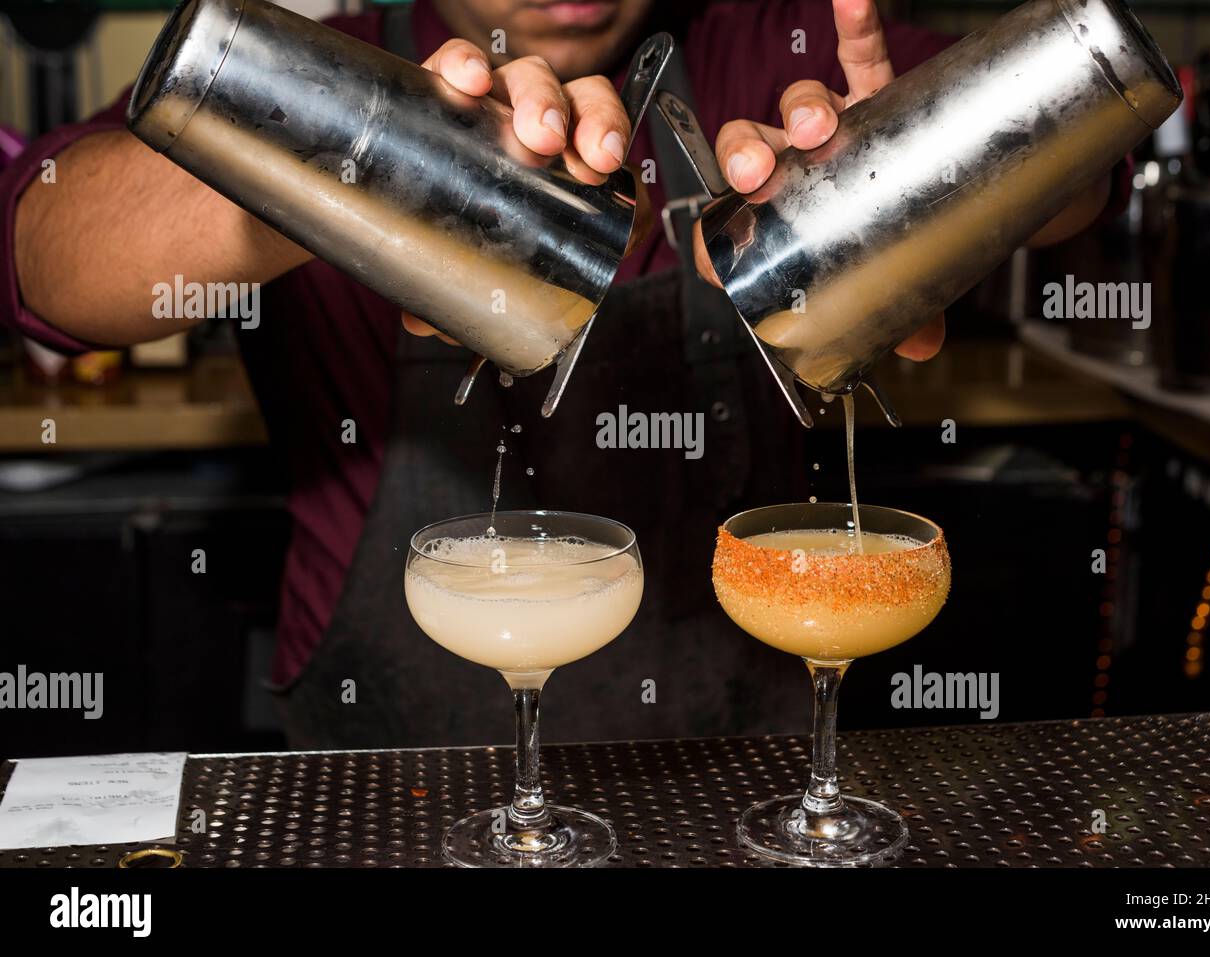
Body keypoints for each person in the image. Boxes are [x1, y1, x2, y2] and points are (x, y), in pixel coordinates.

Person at [2, 0, 1117, 748]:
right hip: (391, 771)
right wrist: (355, 160)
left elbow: (1081, 167)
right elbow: (42, 250)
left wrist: (932, 181)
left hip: (744, 769)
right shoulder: (337, 57)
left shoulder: (769, 44)